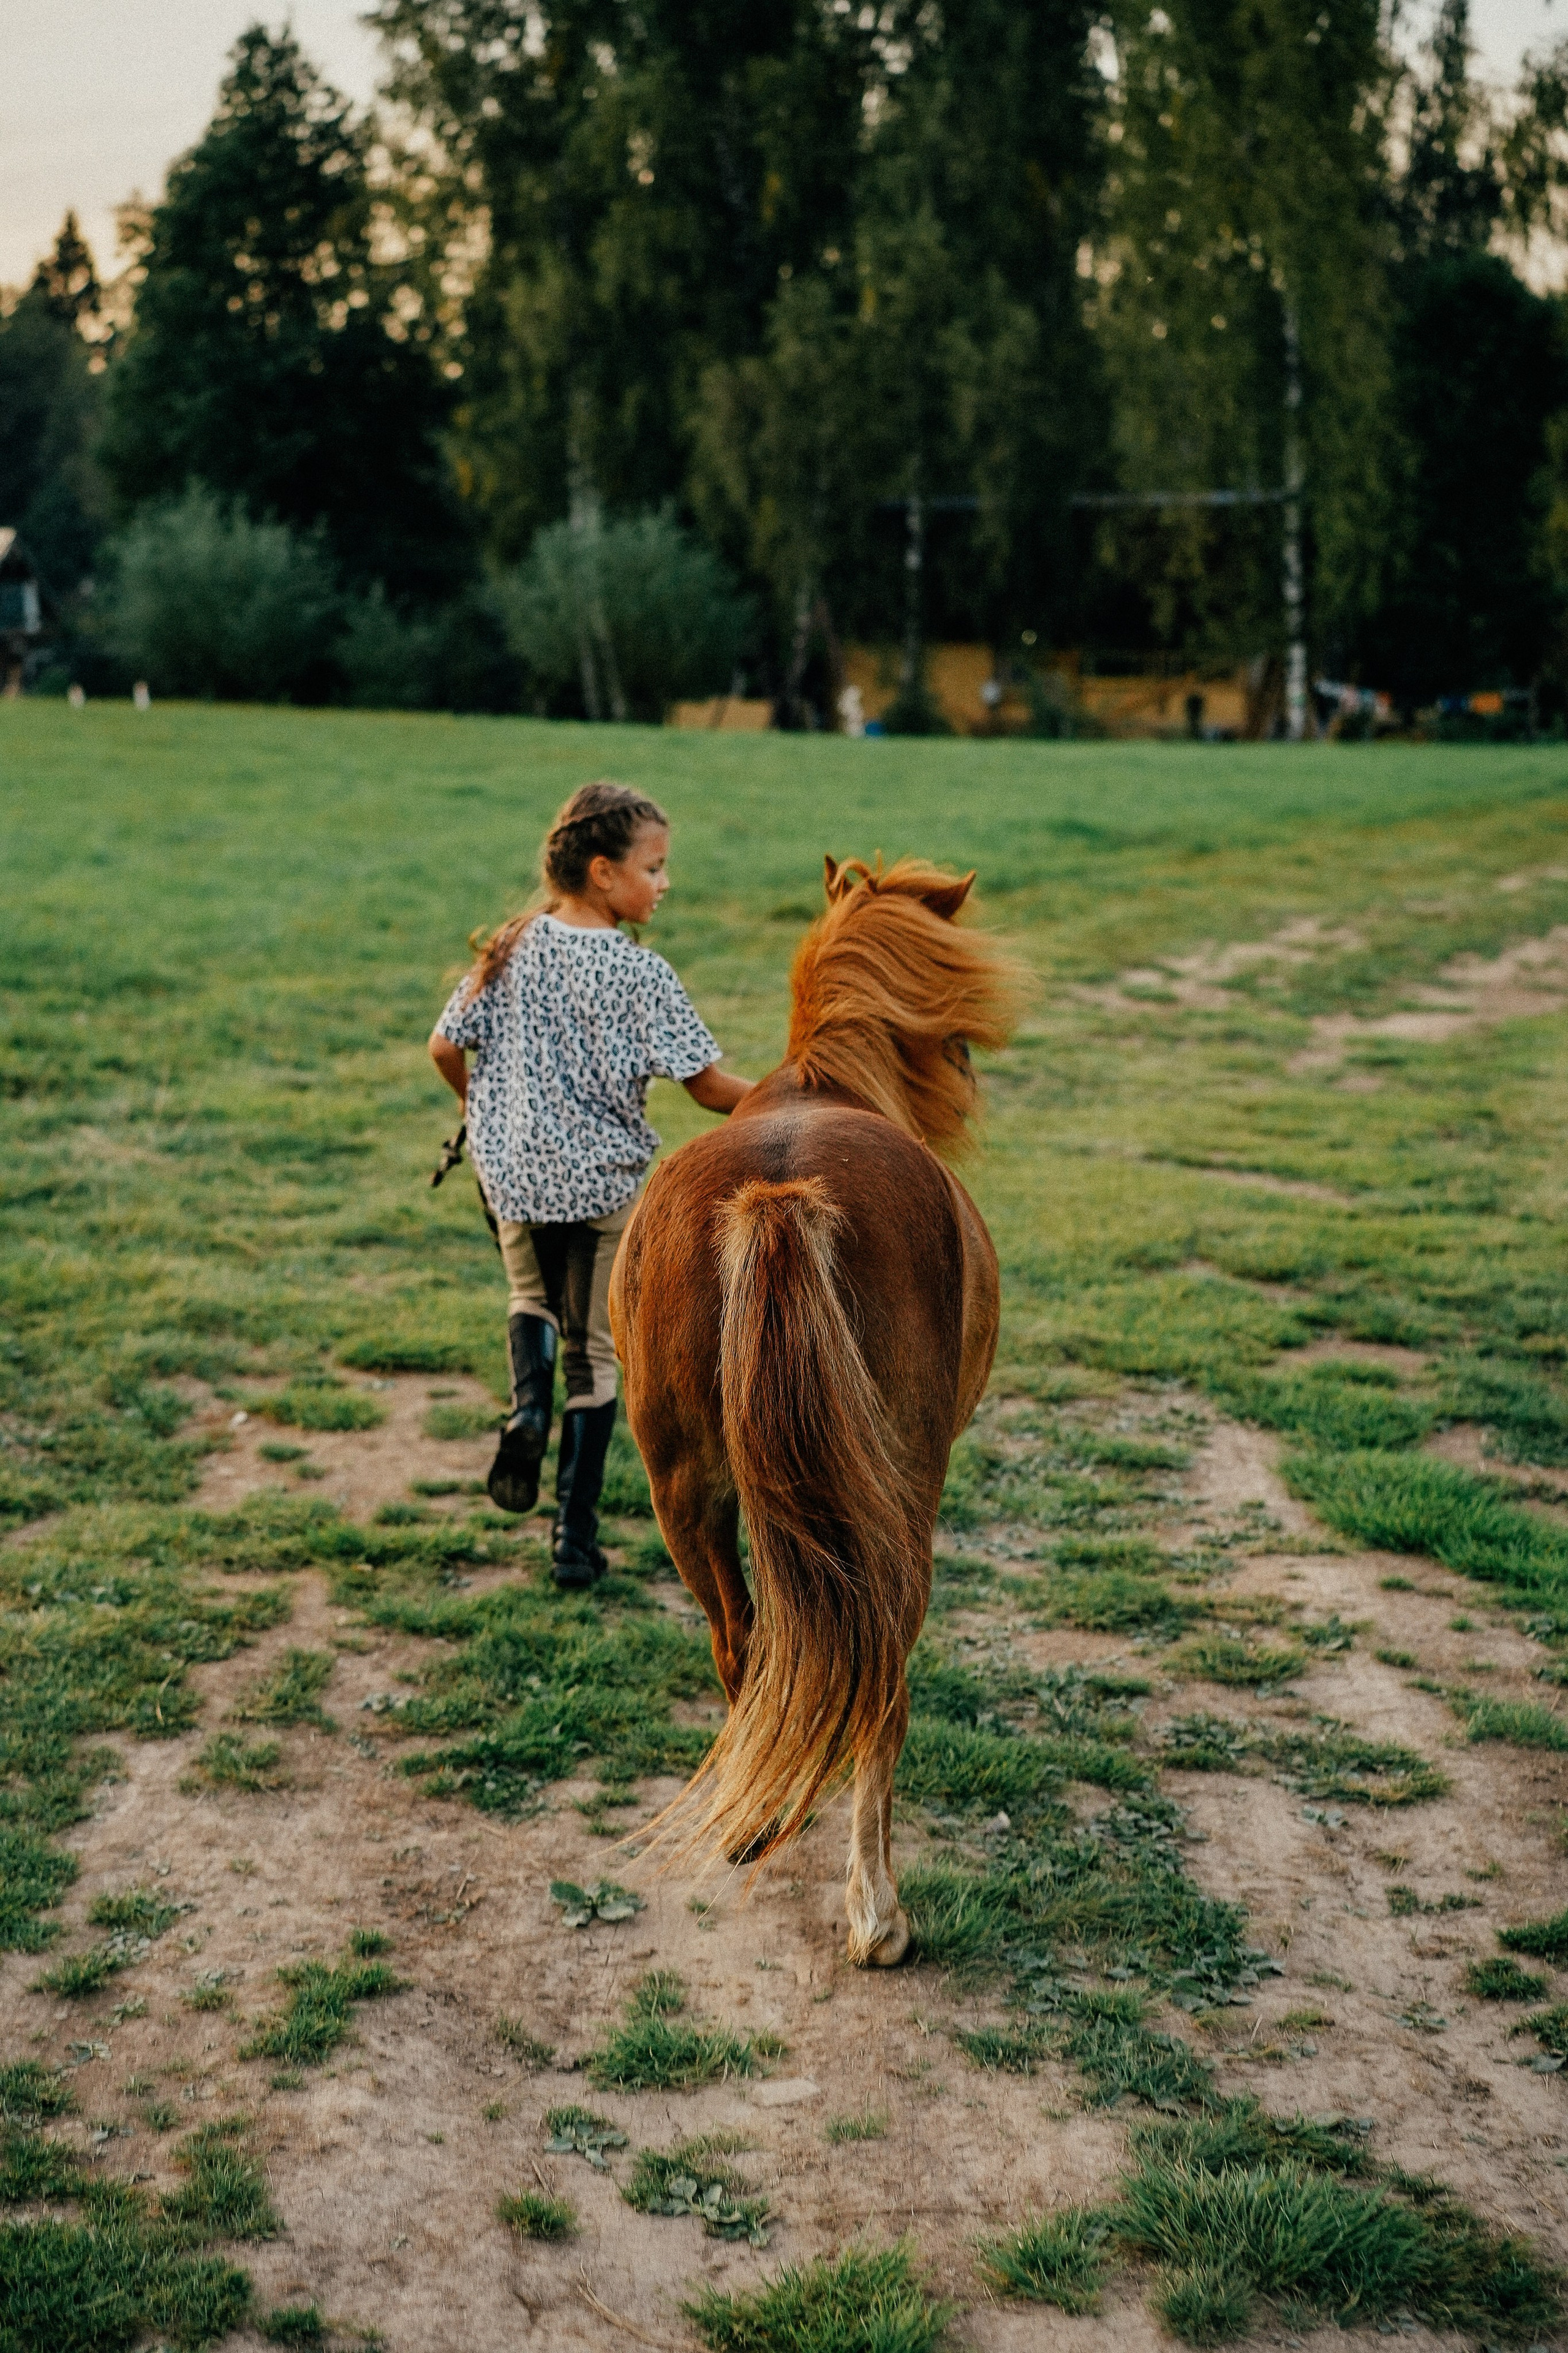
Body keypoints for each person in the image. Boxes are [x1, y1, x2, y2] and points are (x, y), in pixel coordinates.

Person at [428, 782, 751, 1587]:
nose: (665, 883)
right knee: (597, 1356)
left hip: (513, 1174)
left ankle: (526, 1407)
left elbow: (442, 1044)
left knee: (530, 1300)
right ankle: (573, 1539)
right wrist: (791, 1089)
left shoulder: (511, 943)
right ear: (604, 873)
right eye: (656, 867)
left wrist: (484, 1108)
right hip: (603, 1184)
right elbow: (708, 1088)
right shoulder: (642, 973)